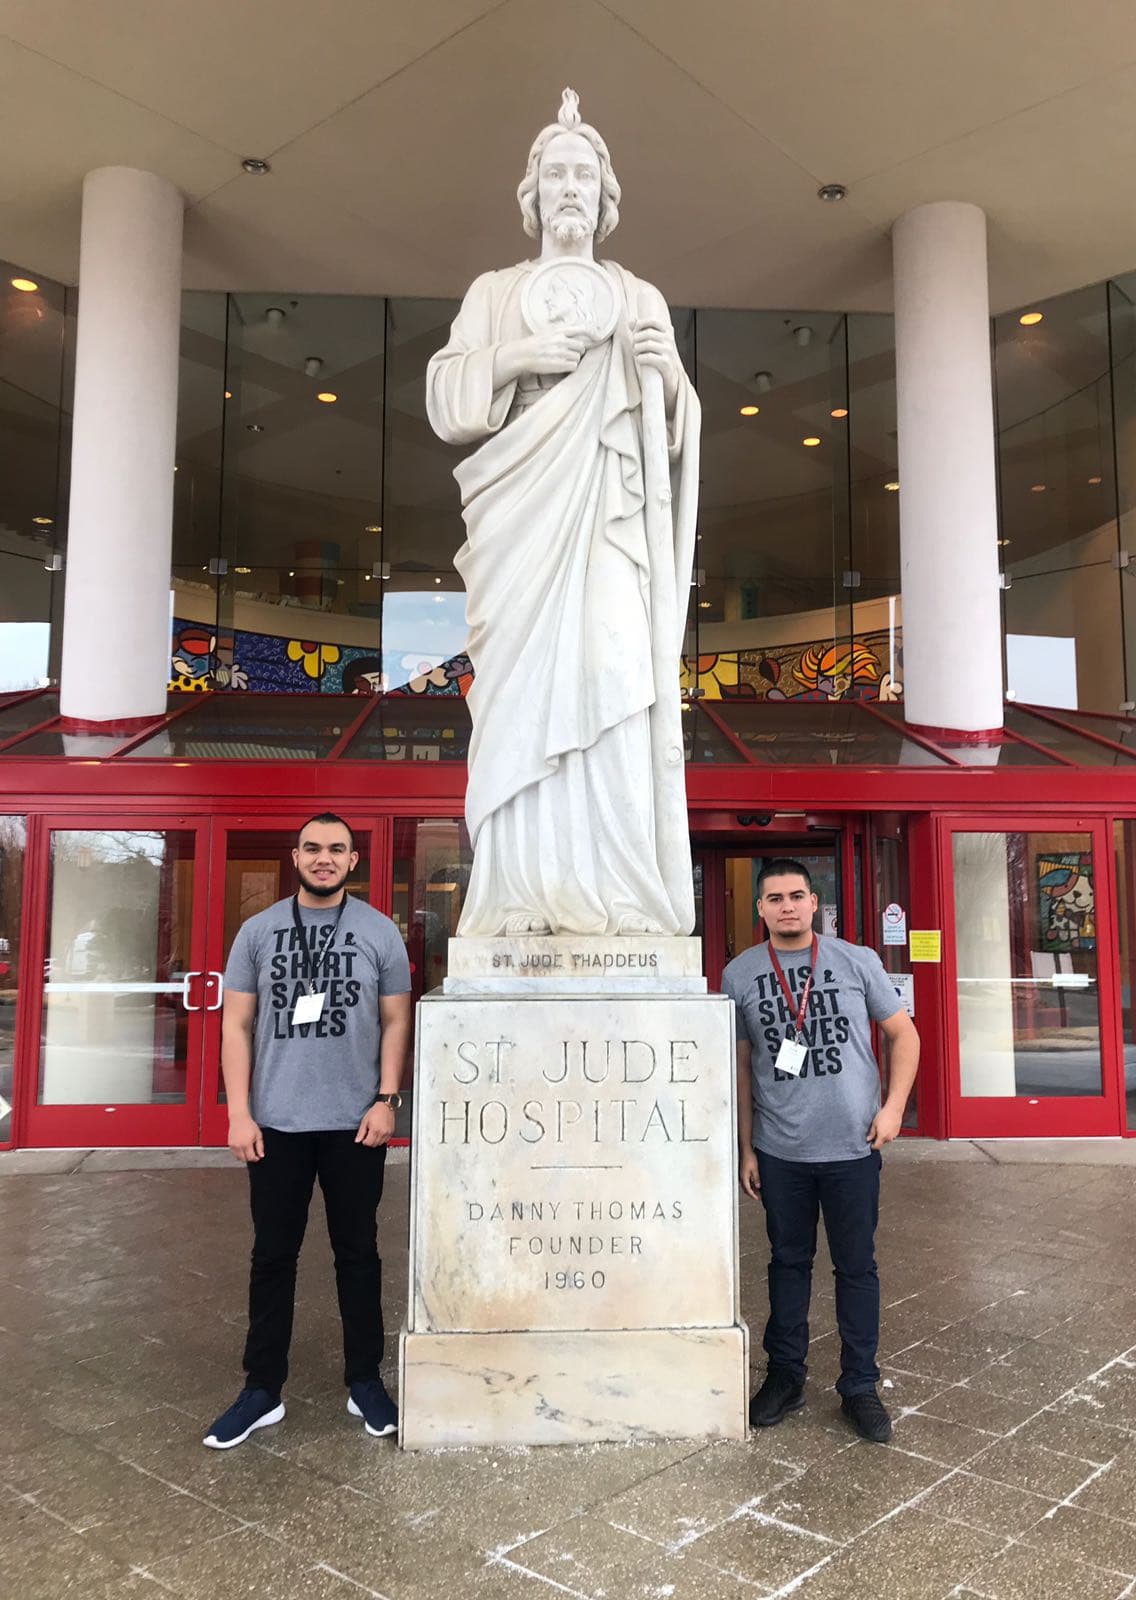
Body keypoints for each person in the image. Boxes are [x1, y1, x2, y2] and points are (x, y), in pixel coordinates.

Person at [426, 88, 700, 938]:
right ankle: (517, 894)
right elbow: (445, 398)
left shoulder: (638, 294)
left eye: (585, 174)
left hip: (610, 528)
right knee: (517, 696)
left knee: (616, 679)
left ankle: (620, 891)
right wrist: (515, 357)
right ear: (534, 194)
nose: (571, 187)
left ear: (605, 197)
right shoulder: (496, 291)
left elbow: (678, 433)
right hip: (521, 519)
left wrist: (666, 380)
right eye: (557, 174)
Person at [203, 813, 412, 1449]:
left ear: (354, 861)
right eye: (313, 848)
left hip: (356, 1125)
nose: (324, 858)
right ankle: (261, 1388)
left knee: (359, 1254)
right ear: (295, 856)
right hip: (277, 1125)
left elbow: (397, 1021)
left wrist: (386, 1099)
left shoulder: (380, 932)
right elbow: (235, 1025)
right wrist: (239, 1113)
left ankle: (364, 1380)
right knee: (272, 1256)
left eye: (337, 850)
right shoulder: (257, 932)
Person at [721, 859, 919, 1441]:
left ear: (815, 903)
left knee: (856, 1268)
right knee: (787, 1265)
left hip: (854, 1148)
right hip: (781, 1150)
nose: (787, 906)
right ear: (760, 909)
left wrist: (894, 1108)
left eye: (797, 895)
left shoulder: (859, 961)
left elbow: (904, 1034)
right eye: (774, 897)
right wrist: (746, 1148)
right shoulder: (740, 974)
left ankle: (859, 1385)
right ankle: (785, 1377)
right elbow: (740, 1067)